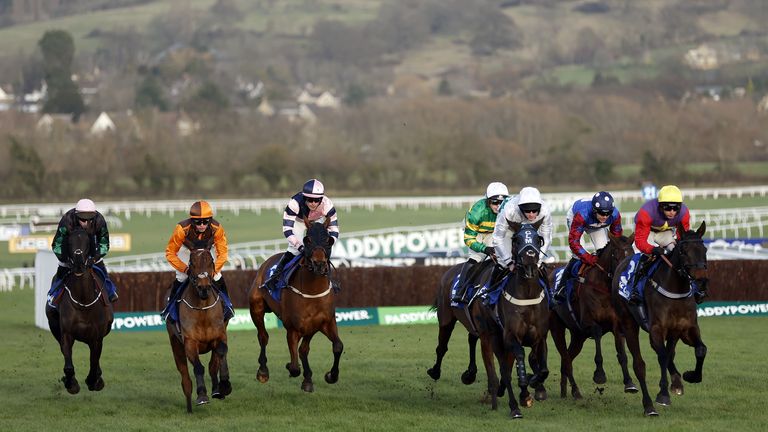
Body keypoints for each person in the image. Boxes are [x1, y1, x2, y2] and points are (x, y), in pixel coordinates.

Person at [263, 179, 340, 291]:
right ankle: (275, 277)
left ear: (321, 199)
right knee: (294, 250)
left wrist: (329, 243)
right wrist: (299, 246)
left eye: (316, 200)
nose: (313, 203)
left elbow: (334, 229)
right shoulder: (294, 203)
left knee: (323, 248)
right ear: (304, 197)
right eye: (310, 199)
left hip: (319, 221)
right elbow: (287, 229)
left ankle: (330, 279)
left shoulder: (327, 205)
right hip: (299, 222)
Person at [162, 200, 233, 321]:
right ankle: (171, 308)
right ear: (191, 220)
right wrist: (185, 269)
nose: (202, 225)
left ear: (210, 220)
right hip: (186, 250)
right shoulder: (181, 228)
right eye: (197, 222)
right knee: (182, 277)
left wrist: (214, 270)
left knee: (217, 276)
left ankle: (228, 305)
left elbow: (223, 253)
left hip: (207, 250)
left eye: (205, 221)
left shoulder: (217, 228)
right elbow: (170, 253)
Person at [629, 184, 698, 303]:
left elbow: (683, 239)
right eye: (667, 208)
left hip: (665, 233)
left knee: (677, 252)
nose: (672, 212)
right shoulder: (646, 212)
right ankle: (635, 288)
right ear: (660, 206)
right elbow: (640, 241)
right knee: (643, 256)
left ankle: (692, 285)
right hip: (647, 233)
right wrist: (652, 250)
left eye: (676, 208)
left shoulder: (684, 213)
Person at [552, 191, 623, 302]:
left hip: (595, 225)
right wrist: (588, 257)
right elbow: (574, 242)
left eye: (607, 213)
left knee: (604, 252)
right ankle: (562, 287)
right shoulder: (582, 215)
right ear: (595, 210)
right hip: (577, 218)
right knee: (577, 256)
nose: (605, 217)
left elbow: (617, 240)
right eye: (601, 213)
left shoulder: (615, 215)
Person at [451, 182, 509, 303]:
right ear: (488, 201)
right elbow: (468, 239)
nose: (498, 206)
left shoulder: (509, 209)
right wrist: (485, 249)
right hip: (477, 233)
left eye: (501, 202)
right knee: (476, 259)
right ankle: (460, 291)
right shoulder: (477, 213)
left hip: (494, 232)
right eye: (494, 202)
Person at [50, 198, 118, 302]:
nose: (86, 223)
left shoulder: (99, 220)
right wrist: (66, 259)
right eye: (83, 219)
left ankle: (110, 291)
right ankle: (53, 294)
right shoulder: (67, 220)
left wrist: (95, 258)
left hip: (90, 249)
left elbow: (104, 243)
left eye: (90, 218)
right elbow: (57, 244)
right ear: (76, 215)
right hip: (69, 251)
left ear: (94, 215)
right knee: (61, 272)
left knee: (102, 271)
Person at [489, 186, 553, 285]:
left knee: (536, 264)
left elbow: (546, 239)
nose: (531, 214)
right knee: (502, 263)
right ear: (520, 208)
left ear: (540, 208)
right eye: (527, 211)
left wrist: (539, 261)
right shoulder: (509, 210)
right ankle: (490, 294)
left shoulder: (545, 210)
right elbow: (497, 238)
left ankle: (549, 294)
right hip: (510, 229)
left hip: (533, 228)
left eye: (534, 210)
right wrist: (508, 262)